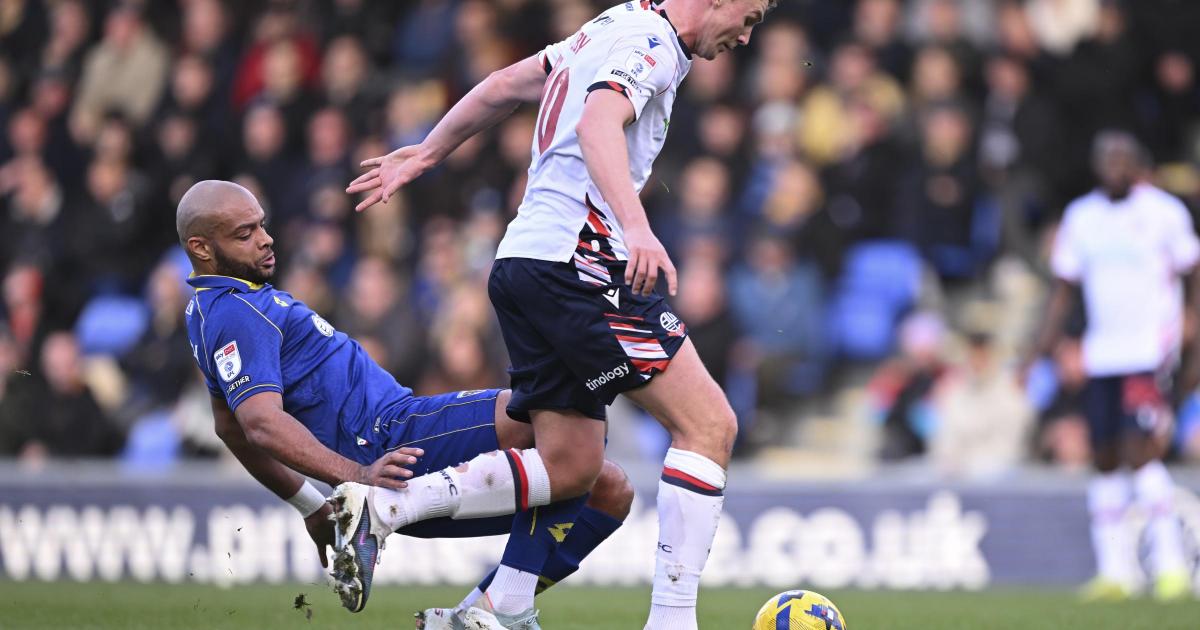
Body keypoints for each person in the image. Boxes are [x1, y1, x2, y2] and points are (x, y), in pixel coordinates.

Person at [346, 2, 774, 628]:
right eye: (753, 14)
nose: (748, 33)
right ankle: (673, 621)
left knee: (573, 465)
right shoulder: (652, 42)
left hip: (524, 260)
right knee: (710, 426)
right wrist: (636, 226)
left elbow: (504, 85)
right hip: (581, 261)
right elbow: (601, 121)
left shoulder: (613, 23)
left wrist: (429, 151)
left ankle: (403, 526)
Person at [176, 180, 634, 628]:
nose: (265, 239)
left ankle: (469, 617)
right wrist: (357, 480)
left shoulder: (206, 311)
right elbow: (258, 425)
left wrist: (311, 507)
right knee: (568, 414)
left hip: (391, 454)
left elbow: (229, 428)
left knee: (607, 489)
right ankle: (499, 603)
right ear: (200, 247)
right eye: (245, 234)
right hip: (392, 438)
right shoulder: (238, 312)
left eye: (261, 225)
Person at [1024, 130, 1197, 601]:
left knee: (1142, 451)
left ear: (1138, 165)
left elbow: (1192, 269)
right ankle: (1116, 571)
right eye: (1108, 160)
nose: (1116, 168)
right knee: (1103, 458)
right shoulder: (1083, 217)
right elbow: (1064, 287)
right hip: (1102, 353)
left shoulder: (1163, 213)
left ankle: (1170, 567)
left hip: (1149, 349)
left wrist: (1191, 326)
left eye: (1124, 160)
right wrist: (1042, 346)